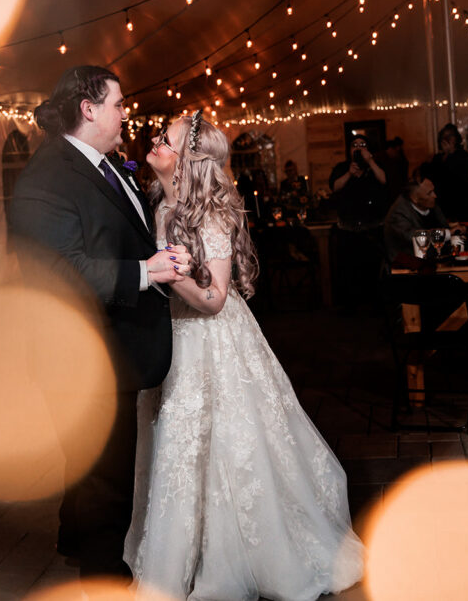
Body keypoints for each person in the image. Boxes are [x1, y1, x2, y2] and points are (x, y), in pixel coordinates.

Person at [125, 111, 364, 600]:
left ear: (190, 159)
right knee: (178, 446)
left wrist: (168, 273)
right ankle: (182, 556)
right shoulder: (159, 206)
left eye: (165, 140)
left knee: (233, 444)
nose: (155, 142)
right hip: (172, 339)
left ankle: (244, 554)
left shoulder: (213, 213)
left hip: (214, 340)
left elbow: (213, 300)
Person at [7, 66, 191, 580]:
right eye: (118, 103)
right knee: (107, 480)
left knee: (93, 471)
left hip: (114, 347)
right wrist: (144, 271)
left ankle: (77, 540)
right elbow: (58, 270)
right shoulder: (49, 175)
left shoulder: (109, 167)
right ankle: (105, 580)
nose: (126, 111)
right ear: (88, 109)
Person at [329, 135, 387, 311]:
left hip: (372, 228)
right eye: (355, 145)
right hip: (348, 230)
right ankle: (350, 307)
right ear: (349, 149)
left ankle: (374, 305)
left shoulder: (373, 168)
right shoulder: (342, 167)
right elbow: (335, 187)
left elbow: (384, 180)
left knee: (372, 269)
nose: (359, 147)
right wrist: (349, 173)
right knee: (349, 271)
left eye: (363, 144)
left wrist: (370, 162)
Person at [383, 173, 458, 262]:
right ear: (415, 198)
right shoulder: (398, 213)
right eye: (429, 193)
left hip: (434, 260)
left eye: (433, 190)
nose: (434, 196)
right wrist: (447, 233)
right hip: (407, 265)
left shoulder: (430, 205)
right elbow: (415, 237)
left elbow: (444, 226)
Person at [426, 123, 468, 220]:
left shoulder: (462, 155)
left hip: (459, 201)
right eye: (444, 137)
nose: (447, 139)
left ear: (456, 138)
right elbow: (433, 176)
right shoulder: (437, 158)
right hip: (442, 202)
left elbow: (459, 175)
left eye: (450, 136)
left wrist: (450, 153)